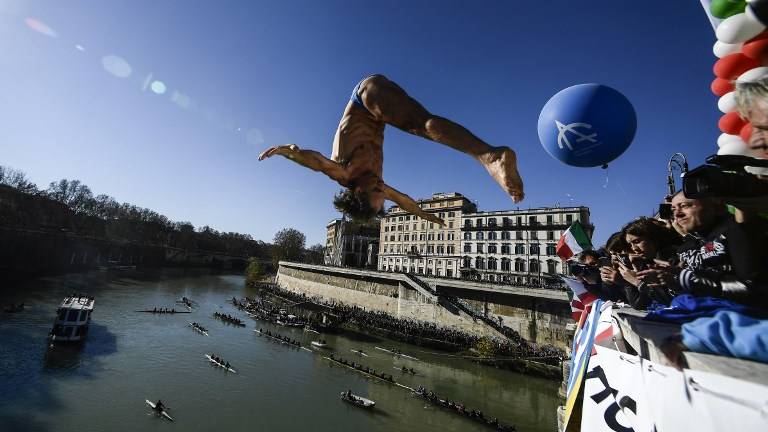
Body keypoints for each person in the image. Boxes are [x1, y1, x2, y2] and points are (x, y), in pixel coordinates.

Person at [258, 74, 524, 224]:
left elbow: (313, 160)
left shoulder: (342, 172)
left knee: (421, 126)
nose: (380, 184)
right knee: (420, 123)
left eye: (375, 188)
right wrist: (429, 218)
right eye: (381, 191)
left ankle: (491, 157)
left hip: (364, 98)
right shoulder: (378, 187)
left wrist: (287, 151)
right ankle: (489, 156)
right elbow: (405, 202)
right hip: (381, 106)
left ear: (356, 192)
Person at [638, 191, 768, 308]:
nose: (677, 214)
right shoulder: (685, 248)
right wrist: (673, 282)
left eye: (685, 205)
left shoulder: (736, 230)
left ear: (717, 206)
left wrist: (688, 278)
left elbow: (755, 288)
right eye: (673, 209)